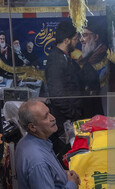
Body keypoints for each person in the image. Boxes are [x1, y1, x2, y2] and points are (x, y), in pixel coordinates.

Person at [45, 20, 82, 162]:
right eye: (75, 39)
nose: (77, 41)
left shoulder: (65, 57)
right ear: (66, 40)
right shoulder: (56, 60)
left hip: (69, 117)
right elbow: (58, 96)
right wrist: (73, 114)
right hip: (64, 121)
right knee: (66, 158)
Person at [78, 19, 109, 116]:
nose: (81, 40)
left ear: (96, 37)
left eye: (85, 35)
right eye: (80, 36)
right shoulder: (86, 57)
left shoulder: (103, 55)